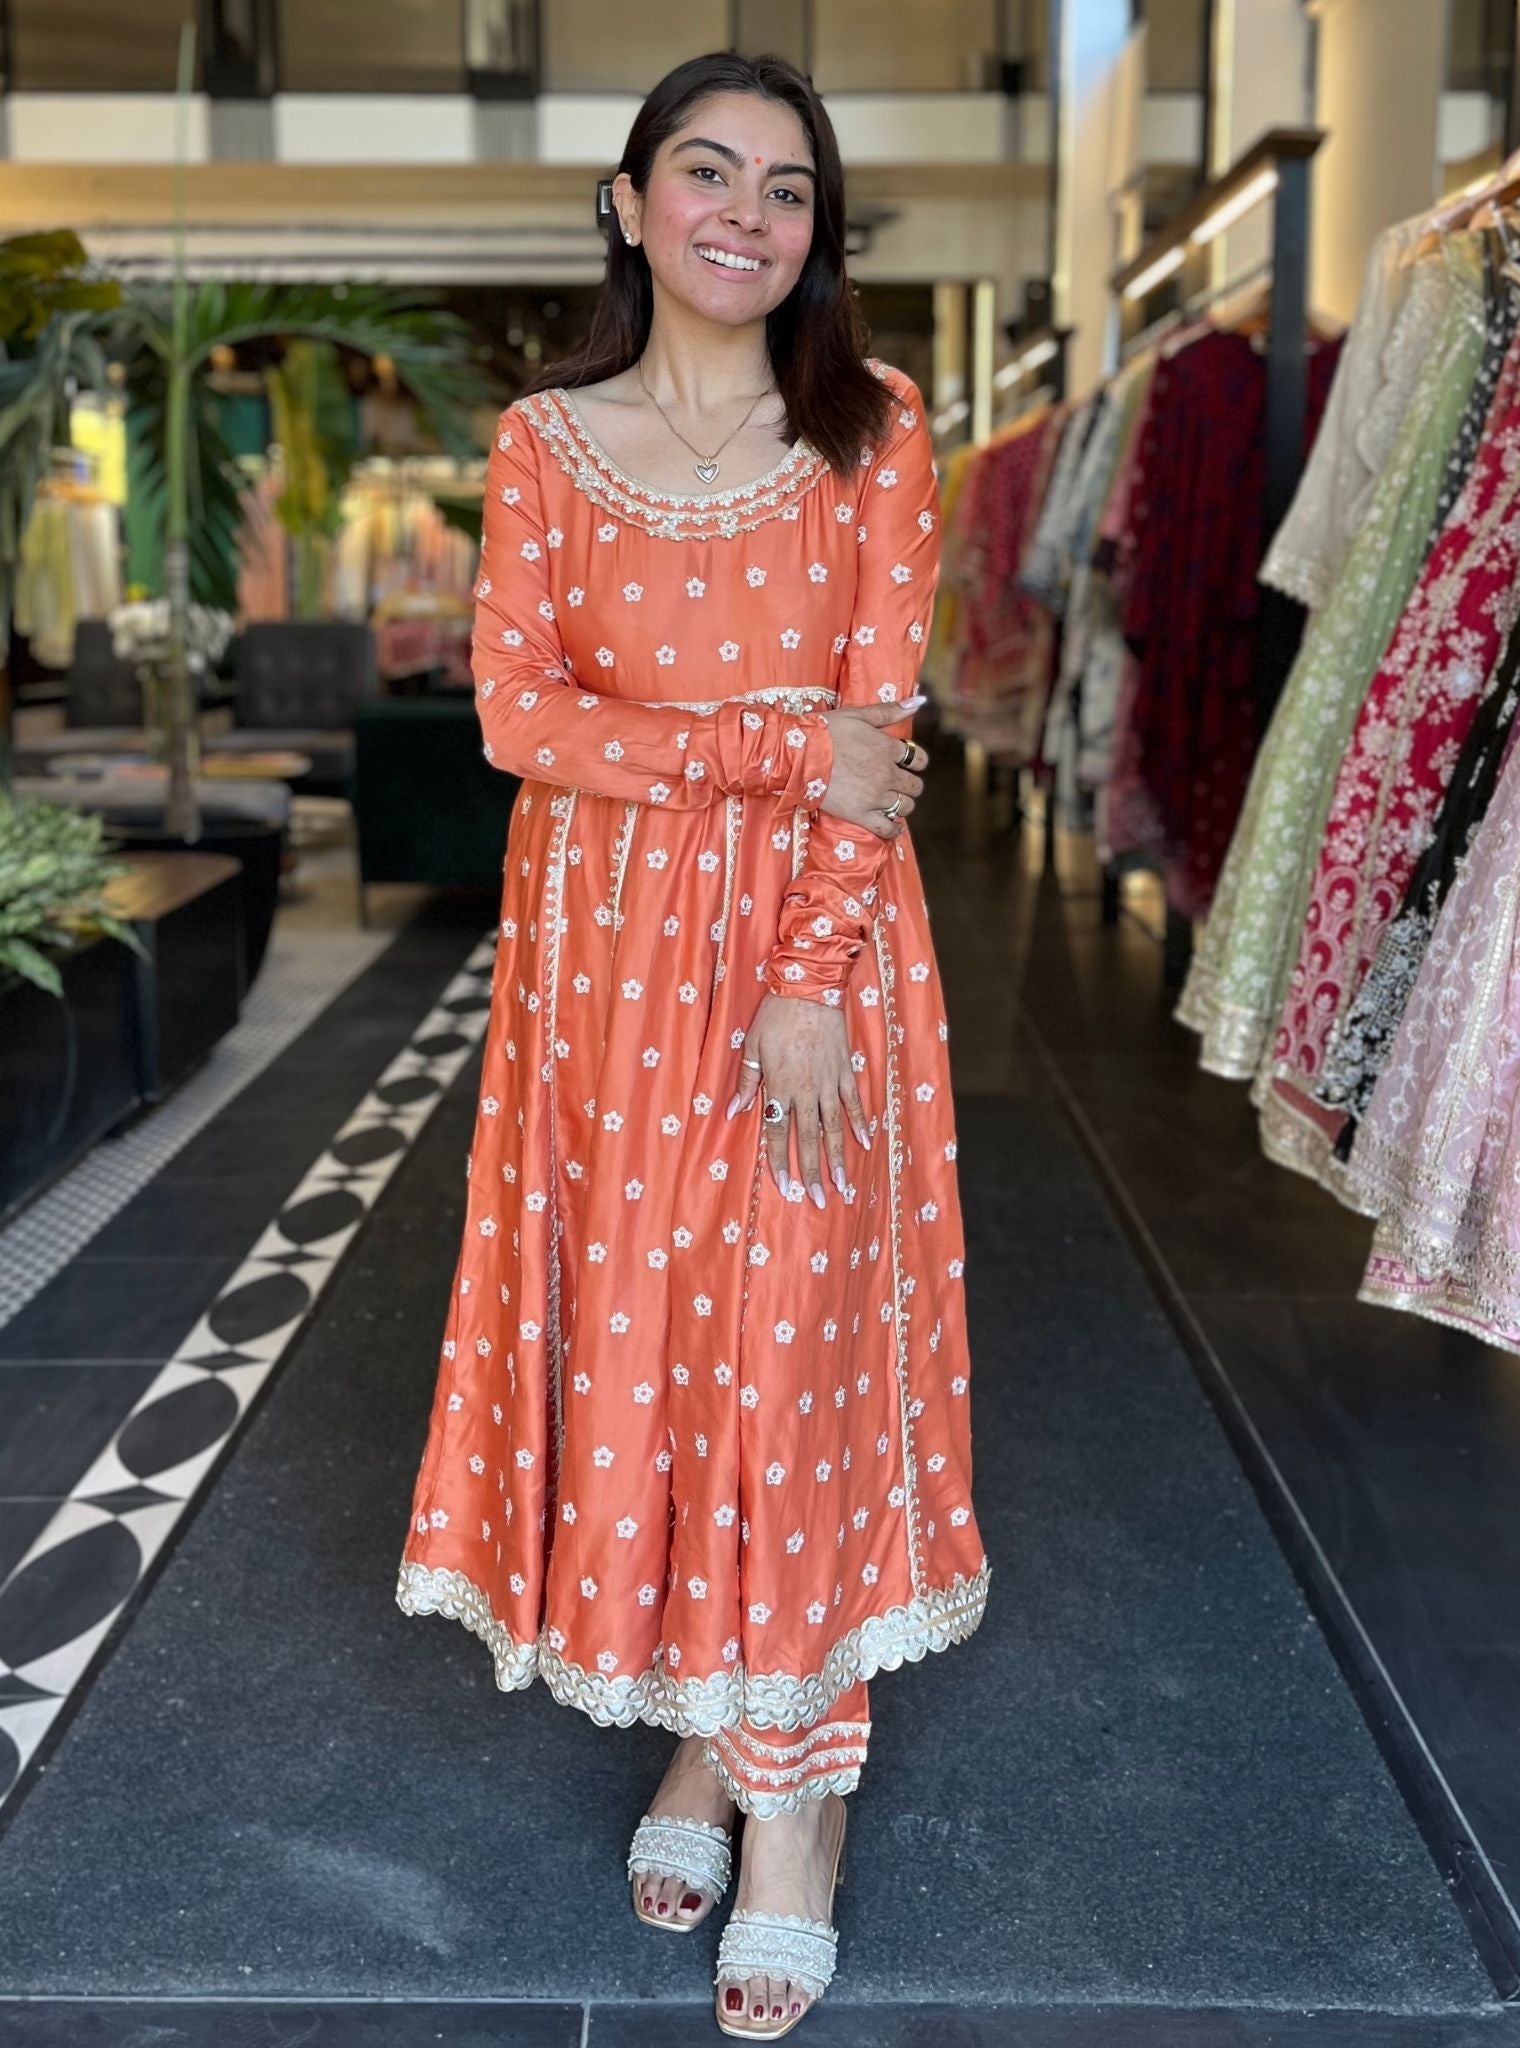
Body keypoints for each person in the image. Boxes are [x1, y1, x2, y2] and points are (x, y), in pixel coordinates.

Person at [395, 48, 990, 2041]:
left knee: (793, 1346)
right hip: (599, 966)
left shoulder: (871, 429)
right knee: (662, 1342)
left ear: (820, 233)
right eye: (709, 172)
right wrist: (765, 745)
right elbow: (517, 717)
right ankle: (708, 1731)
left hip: (811, 964)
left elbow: (879, 736)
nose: (747, 212)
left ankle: (796, 1807)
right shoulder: (543, 443)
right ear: (629, 202)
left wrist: (810, 968)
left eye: (789, 188)